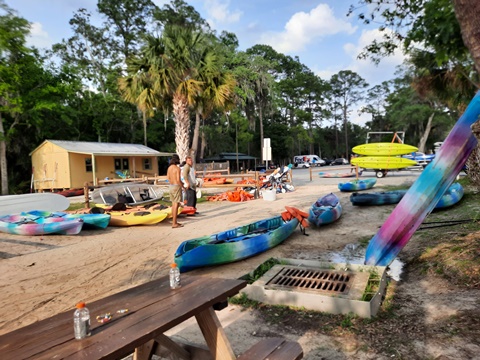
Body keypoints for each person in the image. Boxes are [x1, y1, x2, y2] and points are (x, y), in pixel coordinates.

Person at [167, 154, 184, 228]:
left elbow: (168, 178)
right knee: (176, 205)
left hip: (171, 186)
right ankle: (174, 223)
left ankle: (175, 222)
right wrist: (182, 185)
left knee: (173, 204)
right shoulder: (177, 168)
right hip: (176, 186)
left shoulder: (169, 168)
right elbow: (178, 180)